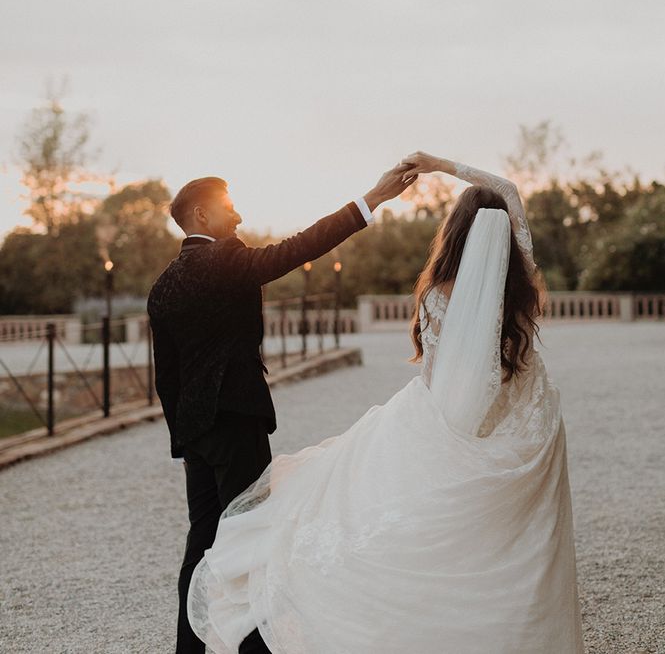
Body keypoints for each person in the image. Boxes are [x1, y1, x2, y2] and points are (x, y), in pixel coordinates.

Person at [187, 152, 586, 653]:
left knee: (397, 523)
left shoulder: (439, 295)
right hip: (528, 435)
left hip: (450, 424)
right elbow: (506, 188)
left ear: (455, 232)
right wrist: (441, 164)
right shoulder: (523, 279)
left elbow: (447, 380)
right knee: (526, 542)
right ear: (508, 231)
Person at [147, 163, 416, 653]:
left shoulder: (162, 285)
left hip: (197, 433)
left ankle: (190, 647)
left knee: (202, 541)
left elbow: (166, 376)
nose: (239, 215)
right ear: (202, 214)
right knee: (252, 532)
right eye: (229, 208)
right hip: (235, 420)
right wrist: (370, 200)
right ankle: (256, 648)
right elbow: (300, 247)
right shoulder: (226, 260)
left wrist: (183, 439)